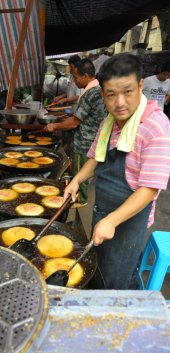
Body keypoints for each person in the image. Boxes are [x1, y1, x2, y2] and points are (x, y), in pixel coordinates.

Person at [64, 53, 170, 289]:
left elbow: (150, 189)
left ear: (141, 85)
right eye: (111, 94)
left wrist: (112, 221)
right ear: (103, 94)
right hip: (103, 210)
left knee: (116, 278)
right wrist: (77, 179)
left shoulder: (156, 127)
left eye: (128, 91)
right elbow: (95, 158)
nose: (119, 102)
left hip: (130, 219)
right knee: (97, 265)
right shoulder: (109, 123)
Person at [44, 58, 107, 205]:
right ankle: (80, 196)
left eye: (76, 77)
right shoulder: (97, 88)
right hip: (94, 138)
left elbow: (74, 122)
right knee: (85, 169)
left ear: (86, 76)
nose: (75, 81)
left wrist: (54, 126)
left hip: (85, 140)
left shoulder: (92, 93)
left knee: (81, 171)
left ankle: (80, 200)